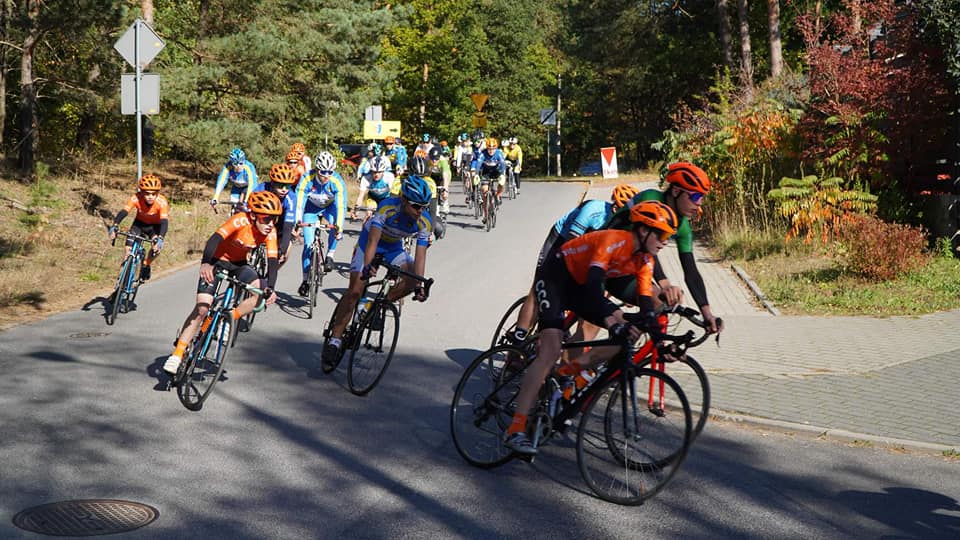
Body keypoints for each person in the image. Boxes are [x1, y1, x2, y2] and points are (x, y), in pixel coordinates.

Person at [503, 200, 679, 455]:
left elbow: (646, 309)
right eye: (662, 234)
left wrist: (663, 343)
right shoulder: (612, 240)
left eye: (669, 237)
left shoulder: (645, 260)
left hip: (579, 286)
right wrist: (611, 320)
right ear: (644, 231)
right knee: (550, 350)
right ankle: (515, 429)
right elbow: (594, 289)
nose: (665, 241)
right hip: (556, 277)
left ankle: (564, 373)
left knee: (626, 336)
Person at [504, 184, 640, 347]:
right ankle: (519, 338)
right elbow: (569, 244)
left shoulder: (624, 229)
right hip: (561, 239)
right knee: (539, 286)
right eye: (617, 209)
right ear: (614, 205)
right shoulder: (593, 210)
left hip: (584, 252)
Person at [163, 190, 282, 375]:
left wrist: (270, 289)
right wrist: (206, 264)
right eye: (266, 219)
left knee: (260, 292)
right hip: (216, 260)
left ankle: (229, 319)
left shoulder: (270, 232)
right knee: (202, 309)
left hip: (239, 265)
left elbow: (273, 261)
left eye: (274, 219)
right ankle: (177, 354)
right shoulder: (240, 220)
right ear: (253, 215)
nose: (270, 224)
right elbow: (214, 239)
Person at [321, 176, 434, 369]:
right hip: (368, 245)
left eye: (425, 206)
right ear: (404, 200)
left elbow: (420, 256)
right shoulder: (387, 207)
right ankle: (335, 339)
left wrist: (418, 284)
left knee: (411, 279)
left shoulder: (424, 221)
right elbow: (372, 241)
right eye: (416, 206)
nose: (420, 211)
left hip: (393, 248)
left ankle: (377, 306)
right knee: (355, 291)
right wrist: (368, 266)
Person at [604, 162, 723, 334]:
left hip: (624, 270)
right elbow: (647, 248)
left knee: (657, 305)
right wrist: (665, 283)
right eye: (695, 197)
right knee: (590, 331)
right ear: (675, 191)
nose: (699, 204)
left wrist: (707, 314)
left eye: (702, 197)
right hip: (600, 262)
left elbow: (691, 271)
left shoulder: (683, 227)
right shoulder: (651, 200)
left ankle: (625, 357)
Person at [295, 151, 347, 295]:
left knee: (334, 226)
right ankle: (305, 280)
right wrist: (297, 222)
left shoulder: (336, 181)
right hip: (311, 209)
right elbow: (299, 202)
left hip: (330, 208)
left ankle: (330, 254)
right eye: (323, 172)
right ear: (317, 169)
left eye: (330, 172)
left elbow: (341, 206)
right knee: (308, 244)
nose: (326, 176)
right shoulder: (307, 178)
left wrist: (339, 228)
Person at [107, 173, 170, 282]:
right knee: (127, 253)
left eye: (154, 194)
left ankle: (146, 264)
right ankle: (119, 285)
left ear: (157, 193)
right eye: (147, 193)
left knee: (156, 249)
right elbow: (124, 211)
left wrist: (160, 238)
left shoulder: (162, 201)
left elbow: (164, 221)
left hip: (154, 227)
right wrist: (114, 226)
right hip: (139, 224)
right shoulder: (136, 197)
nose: (151, 196)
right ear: (141, 192)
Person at [251, 163, 300, 267]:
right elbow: (248, 212)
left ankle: (270, 275)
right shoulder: (261, 189)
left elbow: (287, 226)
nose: (284, 189)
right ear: (272, 183)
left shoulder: (291, 198)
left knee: (286, 251)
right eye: (280, 185)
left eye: (287, 186)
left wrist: (282, 249)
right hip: (262, 220)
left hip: (281, 224)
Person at [352, 155, 395, 221]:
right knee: (368, 214)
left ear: (383, 171)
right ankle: (364, 230)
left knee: (387, 217)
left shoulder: (389, 177)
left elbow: (393, 196)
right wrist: (356, 210)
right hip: (372, 198)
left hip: (386, 198)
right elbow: (360, 196)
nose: (377, 175)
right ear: (371, 171)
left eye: (379, 172)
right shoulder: (366, 178)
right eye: (374, 172)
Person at [471, 137, 507, 211]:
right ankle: (485, 214)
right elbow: (478, 163)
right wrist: (477, 174)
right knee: (484, 191)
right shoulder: (483, 153)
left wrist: (503, 174)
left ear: (496, 148)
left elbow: (503, 164)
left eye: (493, 148)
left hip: (496, 171)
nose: (491, 150)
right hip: (486, 172)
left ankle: (498, 195)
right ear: (487, 148)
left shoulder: (498, 153)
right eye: (489, 148)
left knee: (502, 182)